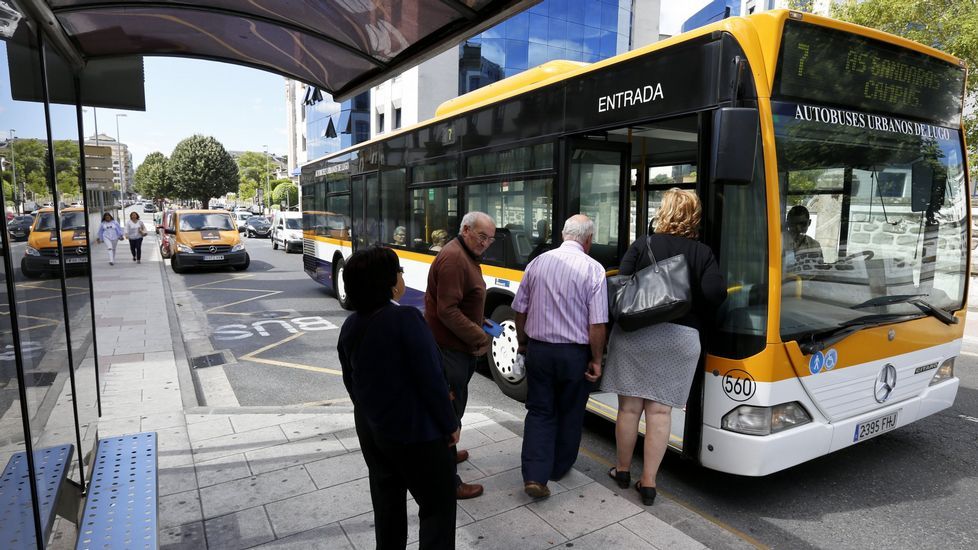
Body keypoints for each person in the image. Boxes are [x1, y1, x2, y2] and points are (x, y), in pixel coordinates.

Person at [600, 188, 726, 506]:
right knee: (660, 413)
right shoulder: (703, 253)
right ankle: (649, 483)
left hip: (635, 336)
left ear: (664, 212)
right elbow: (715, 294)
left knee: (629, 409)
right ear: (694, 216)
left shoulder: (645, 244)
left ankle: (623, 470)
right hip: (680, 339)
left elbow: (621, 284)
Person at [337, 247, 459, 550]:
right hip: (416, 434)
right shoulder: (405, 318)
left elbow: (350, 381)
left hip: (372, 430)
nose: (402, 277)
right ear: (389, 282)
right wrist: (450, 424)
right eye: (399, 271)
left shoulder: (351, 324)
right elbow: (431, 380)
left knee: (387, 505)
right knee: (437, 508)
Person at [512, 214, 608, 499]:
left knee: (540, 411)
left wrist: (522, 341)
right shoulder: (594, 269)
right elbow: (597, 324)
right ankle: (558, 467)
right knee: (571, 411)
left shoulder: (537, 263)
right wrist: (597, 360)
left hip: (540, 350)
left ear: (564, 234)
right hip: (573, 355)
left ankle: (534, 475)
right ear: (588, 239)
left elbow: (520, 308)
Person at [424, 211, 496, 500]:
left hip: (456, 348)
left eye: (490, 239)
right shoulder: (455, 259)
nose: (486, 243)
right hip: (450, 350)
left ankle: (449, 454)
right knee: (449, 412)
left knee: (454, 408)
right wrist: (480, 336)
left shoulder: (463, 253)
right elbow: (447, 310)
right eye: (482, 236)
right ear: (466, 230)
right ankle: (447, 481)